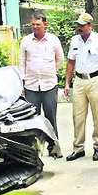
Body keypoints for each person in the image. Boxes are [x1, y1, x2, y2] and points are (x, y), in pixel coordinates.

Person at [63, 13, 98, 162]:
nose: (79, 27)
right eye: (78, 25)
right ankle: (78, 148)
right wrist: (67, 83)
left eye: (82, 25)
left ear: (90, 25)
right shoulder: (74, 41)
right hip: (79, 80)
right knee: (77, 116)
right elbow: (71, 62)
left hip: (96, 80)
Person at [19, 12, 65, 157]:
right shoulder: (25, 41)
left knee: (51, 116)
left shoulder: (53, 40)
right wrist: (22, 83)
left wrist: (50, 71)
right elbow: (22, 64)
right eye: (33, 24)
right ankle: (34, 151)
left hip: (49, 85)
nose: (35, 27)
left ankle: (54, 148)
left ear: (45, 24)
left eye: (38, 24)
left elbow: (60, 59)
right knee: (32, 119)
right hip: (31, 86)